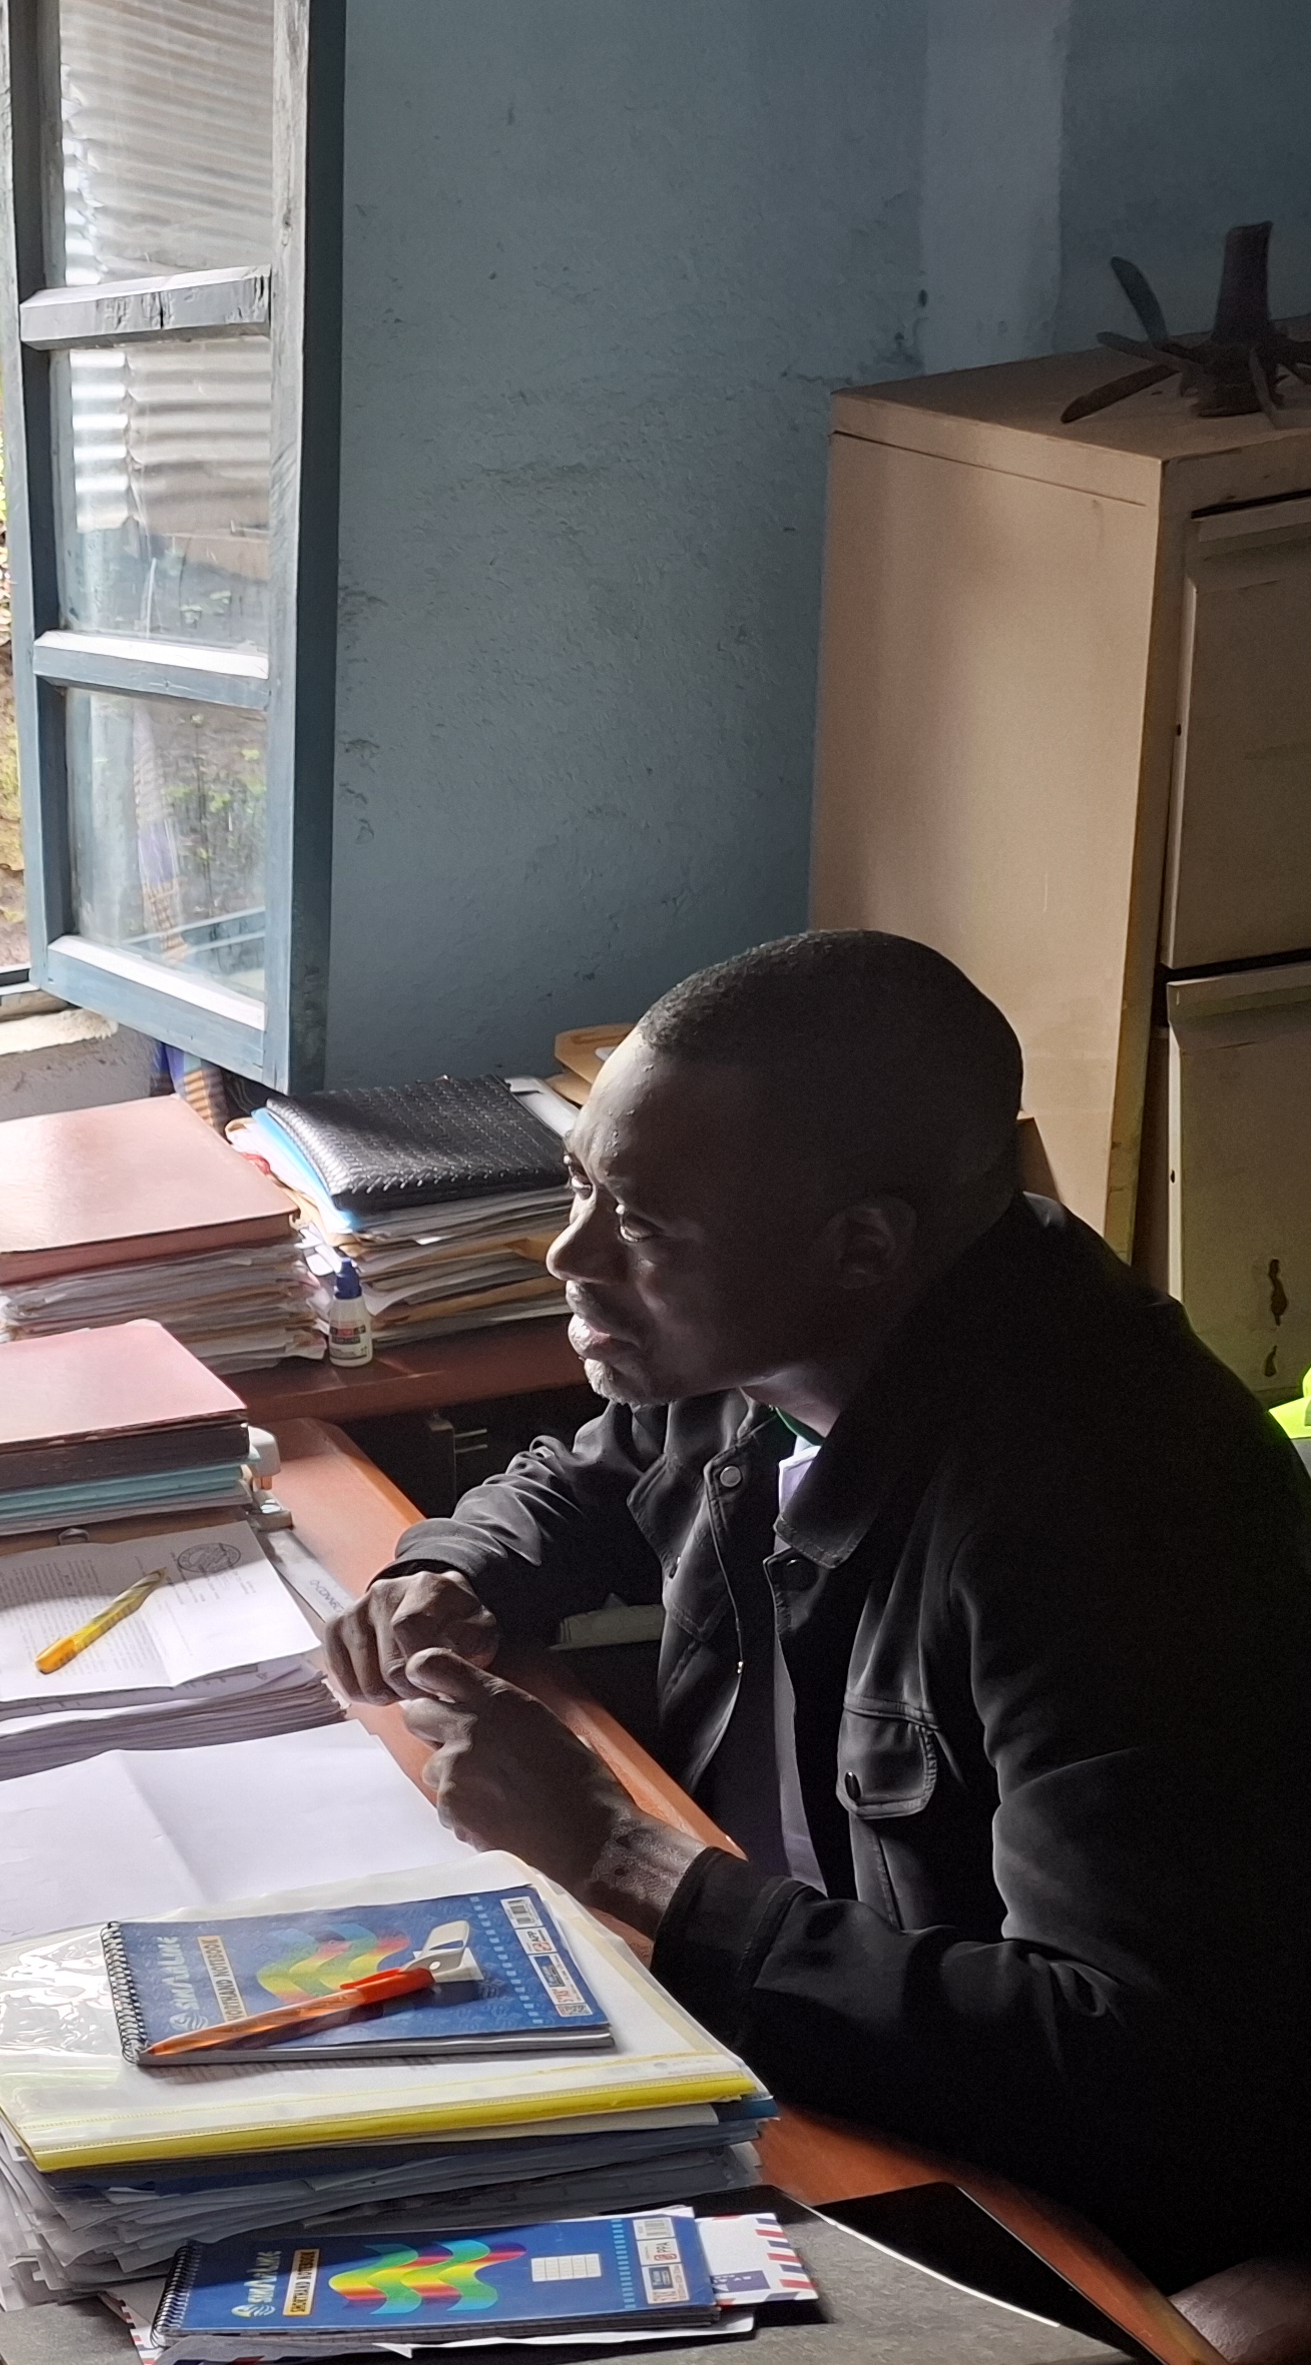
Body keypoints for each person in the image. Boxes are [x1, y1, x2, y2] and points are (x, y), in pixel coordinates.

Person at [318, 930, 1311, 2290]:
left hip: (1023, 2191)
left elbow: (1132, 2070)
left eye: (644, 1228)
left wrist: (625, 1858)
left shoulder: (1108, 1518)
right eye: (580, 1189)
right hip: (787, 2042)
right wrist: (455, 1574)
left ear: (860, 1246)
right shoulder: (785, 1339)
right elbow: (592, 1480)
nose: (568, 1254)